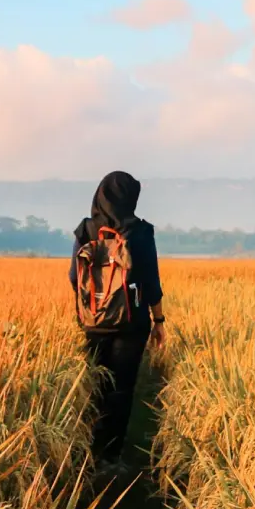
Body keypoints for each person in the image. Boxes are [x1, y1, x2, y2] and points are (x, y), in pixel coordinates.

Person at [69, 171, 166, 471]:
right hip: (131, 324)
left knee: (96, 386)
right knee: (122, 389)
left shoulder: (86, 230)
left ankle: (90, 452)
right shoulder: (140, 232)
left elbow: (75, 278)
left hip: (93, 323)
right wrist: (159, 320)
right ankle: (111, 457)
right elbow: (150, 280)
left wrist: (92, 305)